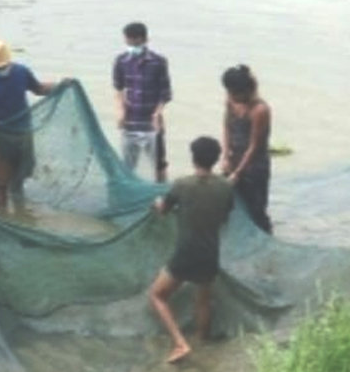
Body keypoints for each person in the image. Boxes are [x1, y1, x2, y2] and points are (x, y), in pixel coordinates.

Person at [148, 136, 234, 365]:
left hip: (186, 252)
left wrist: (157, 204)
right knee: (203, 300)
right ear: (215, 159)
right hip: (210, 252)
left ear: (193, 158)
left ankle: (180, 343)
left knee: (157, 295)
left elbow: (163, 209)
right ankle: (202, 343)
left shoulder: (182, 184)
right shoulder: (225, 187)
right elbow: (225, 216)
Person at [0, 40, 63, 211]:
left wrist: (60, 85)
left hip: (24, 131)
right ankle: (2, 215)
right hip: (0, 134)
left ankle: (20, 210)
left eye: (1, 66)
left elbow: (38, 89)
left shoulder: (21, 72)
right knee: (1, 181)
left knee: (24, 172)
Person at [114, 22, 173, 182]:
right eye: (128, 42)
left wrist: (158, 112)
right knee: (128, 165)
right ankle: (129, 196)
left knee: (159, 164)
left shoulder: (158, 62)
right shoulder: (121, 61)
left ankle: (162, 197)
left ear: (144, 39)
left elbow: (165, 93)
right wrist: (121, 111)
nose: (131, 45)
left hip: (153, 123)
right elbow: (118, 89)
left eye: (135, 42)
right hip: (130, 121)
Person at [220, 65, 272, 234]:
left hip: (255, 166)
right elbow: (227, 127)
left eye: (236, 93)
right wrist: (226, 156)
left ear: (247, 91)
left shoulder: (260, 110)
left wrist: (238, 173)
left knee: (256, 211)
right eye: (230, 92)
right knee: (230, 207)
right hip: (234, 160)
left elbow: (254, 146)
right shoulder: (231, 101)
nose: (232, 97)